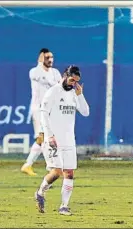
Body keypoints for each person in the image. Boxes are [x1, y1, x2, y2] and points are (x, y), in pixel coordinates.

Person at [35, 65, 89, 215]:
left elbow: (85, 112)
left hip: (69, 140)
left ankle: (64, 206)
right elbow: (43, 114)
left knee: (69, 173)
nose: (73, 83)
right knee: (57, 172)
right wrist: (49, 135)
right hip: (53, 140)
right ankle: (40, 192)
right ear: (65, 76)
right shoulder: (52, 92)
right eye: (72, 80)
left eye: (76, 81)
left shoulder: (74, 93)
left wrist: (80, 95)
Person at [21, 48, 62, 176]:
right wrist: (40, 64)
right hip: (38, 109)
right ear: (41, 58)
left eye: (51, 57)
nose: (50, 60)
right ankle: (50, 166)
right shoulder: (34, 72)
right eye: (47, 57)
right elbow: (48, 82)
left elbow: (60, 88)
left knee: (45, 137)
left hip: (51, 109)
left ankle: (27, 165)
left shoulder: (55, 72)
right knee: (43, 137)